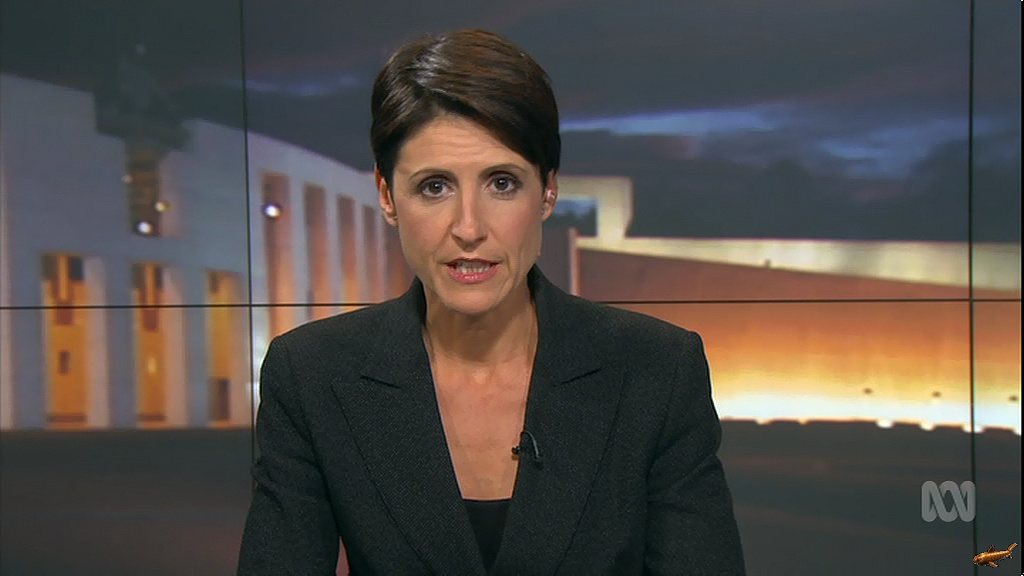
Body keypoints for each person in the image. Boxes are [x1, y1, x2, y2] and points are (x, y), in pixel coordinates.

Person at [238, 29, 745, 575]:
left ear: (547, 191)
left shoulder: (656, 369)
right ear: (387, 196)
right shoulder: (312, 375)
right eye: (435, 186)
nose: (469, 228)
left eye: (502, 183)